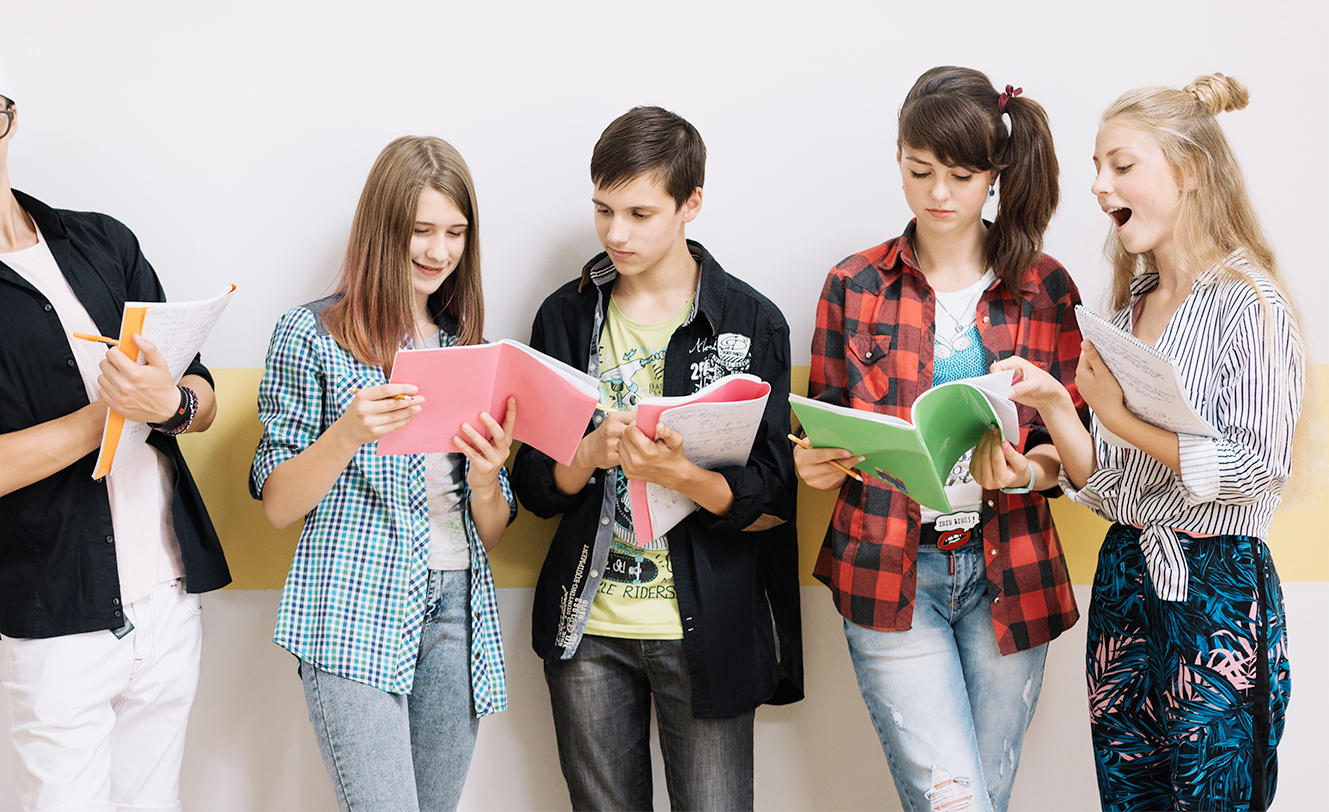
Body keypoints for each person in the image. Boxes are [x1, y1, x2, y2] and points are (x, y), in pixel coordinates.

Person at [0, 46, 230, 811]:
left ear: (12, 124)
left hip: (169, 595)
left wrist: (169, 404)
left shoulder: (104, 241)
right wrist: (111, 412)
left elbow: (201, 394)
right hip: (58, 615)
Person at [1004, 73, 1299, 812]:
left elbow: (1254, 473)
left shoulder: (1249, 302)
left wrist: (1123, 416)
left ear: (1190, 170)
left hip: (1216, 588)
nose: (1099, 187)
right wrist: (1056, 405)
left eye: (1120, 165)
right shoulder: (1130, 305)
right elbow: (1111, 488)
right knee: (1128, 798)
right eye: (1096, 167)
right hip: (1126, 577)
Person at [795, 67, 1082, 812]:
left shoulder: (1044, 288)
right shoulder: (852, 284)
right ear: (898, 156)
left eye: (960, 176)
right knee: (953, 805)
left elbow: (1071, 451)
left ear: (994, 175)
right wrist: (813, 462)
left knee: (980, 800)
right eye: (919, 171)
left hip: (1009, 575)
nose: (938, 194)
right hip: (890, 572)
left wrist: (1026, 470)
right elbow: (820, 421)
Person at [511, 106, 801, 810]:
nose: (616, 233)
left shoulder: (749, 321)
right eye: (603, 210)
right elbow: (532, 485)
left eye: (639, 213)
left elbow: (772, 490)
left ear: (690, 204)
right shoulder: (565, 315)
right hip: (587, 629)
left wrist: (683, 477)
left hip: (707, 629)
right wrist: (584, 455)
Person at [249, 135, 516, 811]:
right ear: (382, 229)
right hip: (352, 603)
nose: (438, 251)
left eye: (455, 232)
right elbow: (277, 504)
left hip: (456, 604)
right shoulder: (310, 334)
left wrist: (487, 478)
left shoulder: (469, 345)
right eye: (420, 230)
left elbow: (493, 527)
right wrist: (348, 433)